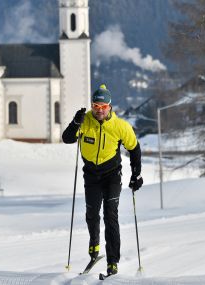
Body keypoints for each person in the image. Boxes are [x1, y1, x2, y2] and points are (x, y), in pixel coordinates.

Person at [62, 84, 143, 276]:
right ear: (92, 105)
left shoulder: (120, 126)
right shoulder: (84, 121)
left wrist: (136, 174)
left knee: (110, 215)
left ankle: (112, 261)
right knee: (92, 213)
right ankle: (94, 245)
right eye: (95, 106)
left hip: (112, 175)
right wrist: (75, 122)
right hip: (91, 175)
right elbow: (67, 139)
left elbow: (134, 149)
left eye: (103, 106)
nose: (99, 110)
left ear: (110, 106)